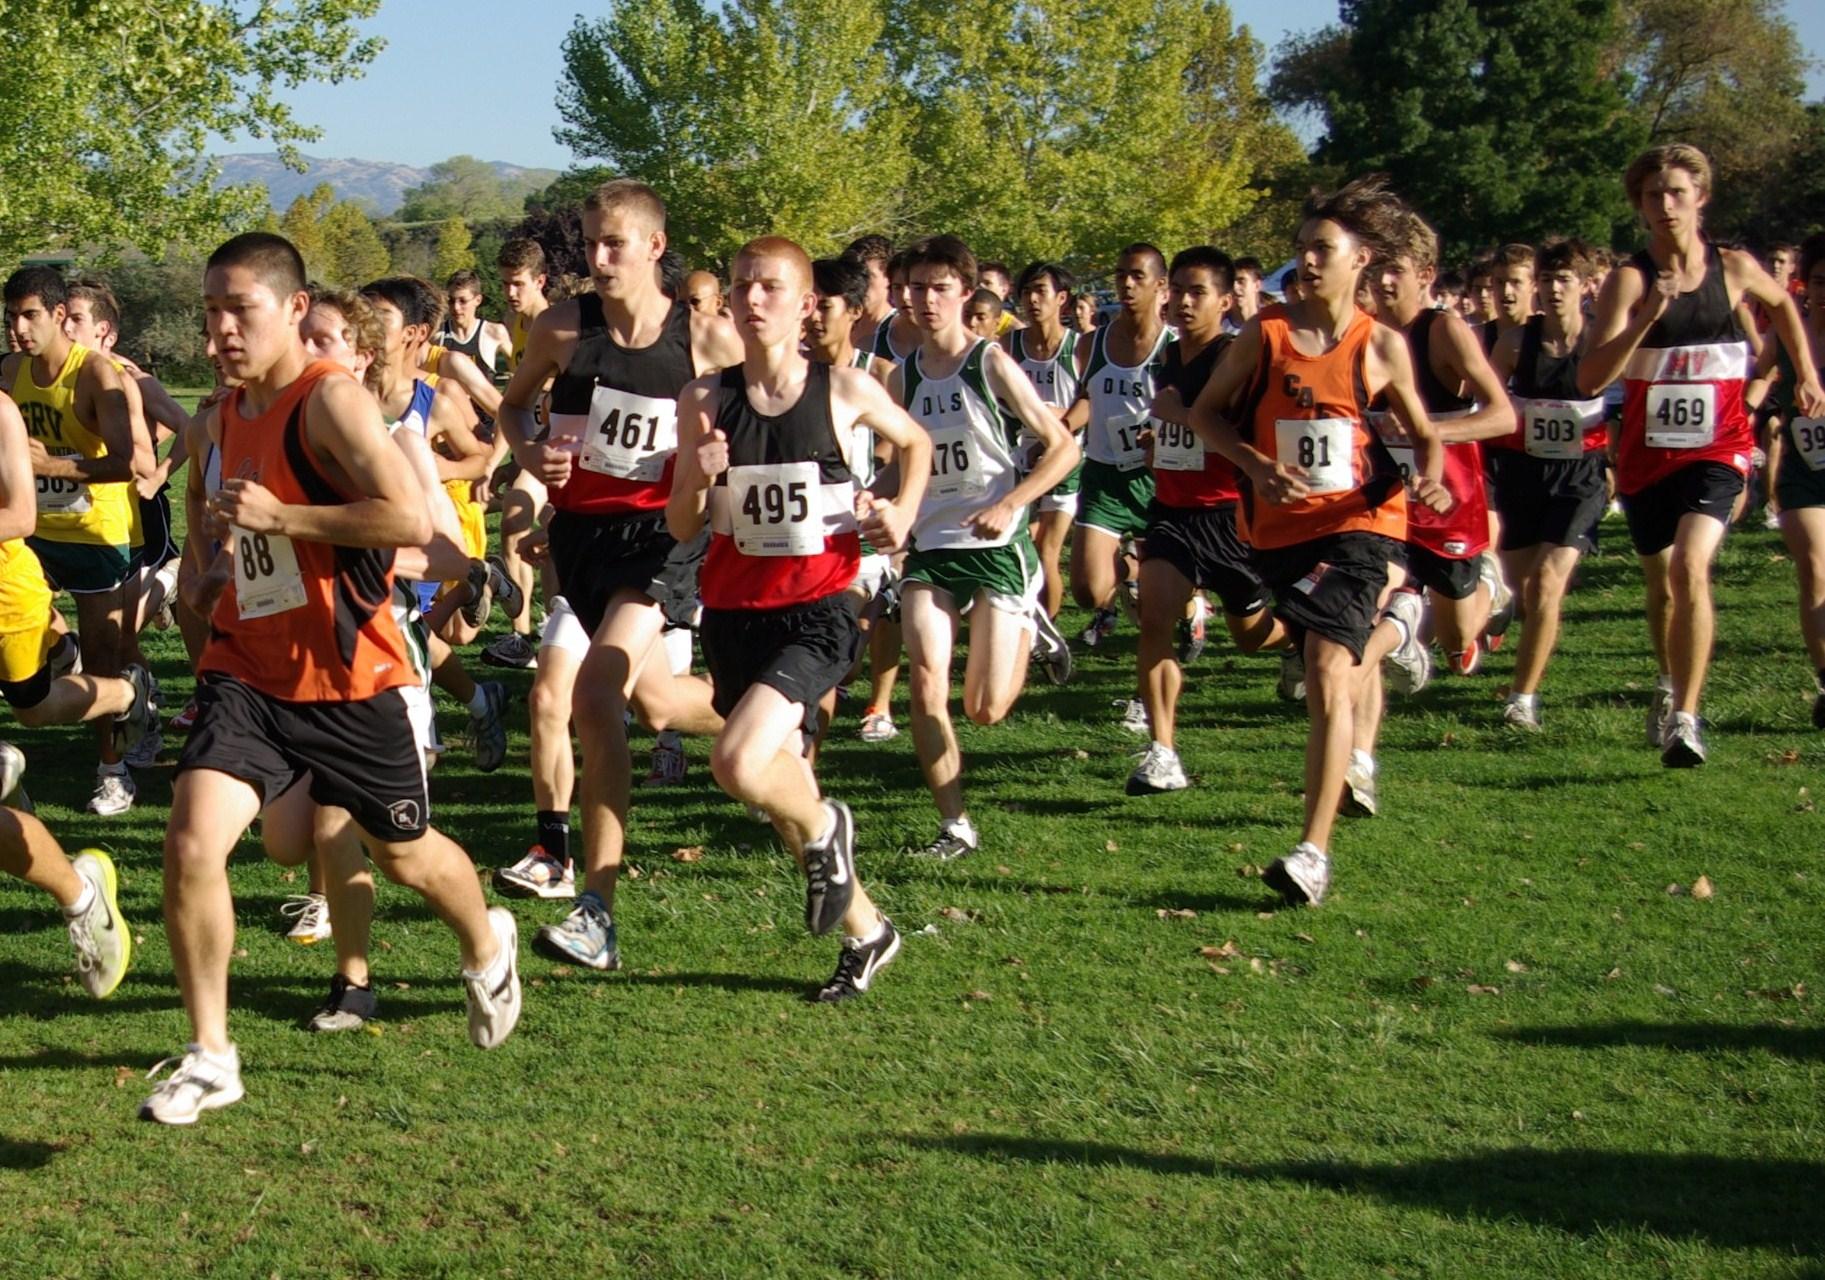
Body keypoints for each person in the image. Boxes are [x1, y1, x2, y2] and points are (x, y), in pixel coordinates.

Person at [145, 232, 522, 1125]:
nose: (219, 334)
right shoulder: (228, 412)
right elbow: (233, 525)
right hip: (250, 671)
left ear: (290, 308)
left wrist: (287, 516)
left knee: (407, 858)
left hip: (351, 680)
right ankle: (211, 1054)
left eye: (238, 311)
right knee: (194, 842)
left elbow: (403, 519)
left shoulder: (332, 402)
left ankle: (485, 944)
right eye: (209, 314)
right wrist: (215, 568)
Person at [669, 235, 932, 999]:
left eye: (771, 288)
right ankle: (870, 932)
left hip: (818, 610)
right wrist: (699, 471)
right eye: (742, 285)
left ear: (805, 304)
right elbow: (686, 524)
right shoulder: (703, 399)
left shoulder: (843, 390)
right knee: (778, 793)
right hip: (733, 613)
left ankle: (829, 830)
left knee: (736, 764)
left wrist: (902, 513)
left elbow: (914, 444)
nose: (753, 300)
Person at [1188, 176, 1452, 907]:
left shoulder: (1382, 347)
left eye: (1322, 249)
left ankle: (1311, 851)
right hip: (1280, 530)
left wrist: (1430, 479)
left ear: (1360, 258)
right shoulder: (1264, 335)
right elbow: (1207, 416)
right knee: (1283, 644)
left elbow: (1425, 437)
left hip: (1363, 521)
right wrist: (1254, 464)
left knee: (1327, 667)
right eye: (1300, 248)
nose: (1306, 261)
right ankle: (1399, 626)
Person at [496, 180, 740, 971]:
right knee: (657, 703)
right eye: (589, 243)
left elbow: (764, 417)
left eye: (613, 245)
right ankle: (771, 709)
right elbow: (513, 410)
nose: (597, 259)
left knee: (591, 693)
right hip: (582, 538)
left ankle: (594, 906)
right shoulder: (562, 328)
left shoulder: (704, 341)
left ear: (654, 249)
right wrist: (534, 457)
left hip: (663, 539)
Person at [1579, 143, 1824, 766]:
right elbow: (1589, 378)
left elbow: (1783, 307)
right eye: (1653, 195)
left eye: (1677, 193)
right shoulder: (1628, 280)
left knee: (1691, 566)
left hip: (1720, 447)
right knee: (1662, 585)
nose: (1665, 205)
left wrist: (1803, 373)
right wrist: (1646, 319)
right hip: (1645, 457)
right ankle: (1668, 684)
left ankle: (1687, 718)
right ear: (1639, 207)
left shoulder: (1734, 267)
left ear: (1700, 198)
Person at [895, 235, 1078, 861]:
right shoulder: (904, 375)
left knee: (986, 709)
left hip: (997, 544)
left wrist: (1010, 503)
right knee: (925, 684)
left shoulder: (991, 363)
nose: (926, 300)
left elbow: (1065, 448)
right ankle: (955, 825)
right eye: (916, 287)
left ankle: (1033, 621)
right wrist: (882, 505)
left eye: (940, 288)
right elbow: (901, 464)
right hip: (931, 545)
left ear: (965, 294)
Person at [1128, 247, 1293, 794]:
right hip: (1173, 511)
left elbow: (1246, 440)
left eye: (1197, 291)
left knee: (1254, 636)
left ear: (1226, 301)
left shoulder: (1235, 359)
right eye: (1177, 289)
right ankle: (1163, 751)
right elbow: (1177, 435)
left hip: (1229, 517)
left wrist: (1179, 418)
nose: (1182, 301)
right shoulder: (1169, 355)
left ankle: (1304, 637)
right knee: (1154, 615)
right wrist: (1160, 443)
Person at [2, 267, 157, 814]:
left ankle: (112, 771)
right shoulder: (9, 372)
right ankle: (59, 651)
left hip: (97, 532)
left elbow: (127, 464)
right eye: (11, 317)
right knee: (29, 622)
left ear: (61, 316)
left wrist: (51, 464)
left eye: (30, 316)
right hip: (34, 528)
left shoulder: (96, 376)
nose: (18, 329)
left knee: (103, 660)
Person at [1371, 210, 1515, 680]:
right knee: (1378, 590)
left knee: (1457, 642)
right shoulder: (1364, 334)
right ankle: (1398, 640)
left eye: (1396, 269)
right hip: (1390, 493)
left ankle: (1488, 583)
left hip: (1449, 495)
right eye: (1376, 268)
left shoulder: (1444, 331)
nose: (1383, 280)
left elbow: (1502, 415)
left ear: (1426, 275)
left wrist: (1427, 431)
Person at [1486, 240, 1611, 729]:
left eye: (1564, 280)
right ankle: (1498, 610)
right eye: (1546, 280)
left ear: (1584, 286)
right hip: (1521, 474)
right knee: (1521, 586)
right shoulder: (1516, 343)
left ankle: (1522, 698)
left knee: (1545, 587)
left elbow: (1625, 400)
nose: (1554, 290)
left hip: (1579, 478)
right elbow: (1488, 404)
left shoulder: (1602, 342)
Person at [806, 255, 903, 742]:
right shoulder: (788, 373)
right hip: (801, 536)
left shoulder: (882, 374)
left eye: (825, 305)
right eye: (809, 305)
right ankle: (803, 773)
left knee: (836, 653)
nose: (813, 317)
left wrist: (891, 502)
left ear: (855, 311)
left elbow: (910, 447)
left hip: (861, 538)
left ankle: (880, 703)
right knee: (820, 659)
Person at [1067, 244, 1170, 667]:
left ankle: (1149, 694)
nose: (1126, 284)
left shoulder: (1174, 347)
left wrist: (1161, 433)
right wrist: (1058, 431)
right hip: (1104, 475)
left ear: (1162, 287)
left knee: (1165, 610)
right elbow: (1087, 399)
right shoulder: (1091, 344)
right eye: (1121, 275)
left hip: (1157, 479)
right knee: (1089, 591)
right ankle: (1129, 571)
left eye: (1138, 276)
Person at [1745, 231, 1825, 726]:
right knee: (1815, 568)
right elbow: (1759, 376)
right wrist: (1741, 413)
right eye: (1819, 281)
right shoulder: (1789, 335)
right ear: (1804, 283)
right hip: (1805, 476)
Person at [480, 238, 552, 670]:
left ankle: (537, 630)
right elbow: (518, 398)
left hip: (560, 442)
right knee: (523, 528)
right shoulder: (514, 321)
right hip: (537, 439)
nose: (509, 292)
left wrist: (504, 458)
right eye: (505, 283)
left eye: (518, 283)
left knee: (526, 526)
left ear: (539, 281)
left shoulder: (552, 325)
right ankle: (527, 633)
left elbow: (543, 397)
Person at [1009, 261, 1084, 623]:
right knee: (1016, 544)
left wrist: (1060, 420)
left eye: (1041, 291)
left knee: (1047, 548)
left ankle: (1047, 629)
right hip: (1018, 458)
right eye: (1026, 292)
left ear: (1062, 299)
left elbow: (1093, 401)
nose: (1032, 300)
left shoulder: (1079, 348)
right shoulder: (1008, 346)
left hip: (1064, 460)